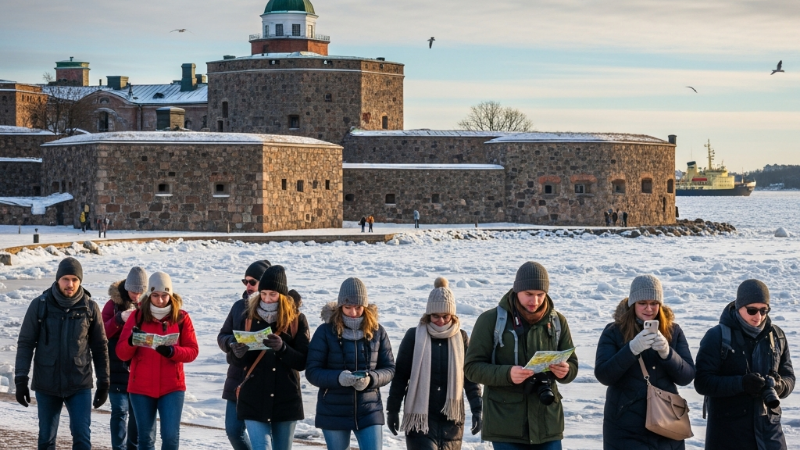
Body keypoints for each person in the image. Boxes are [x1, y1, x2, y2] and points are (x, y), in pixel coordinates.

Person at [464, 261, 578, 450]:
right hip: (505, 424)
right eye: (529, 295)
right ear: (517, 291)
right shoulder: (490, 320)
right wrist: (507, 374)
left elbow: (572, 363)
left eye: (540, 295)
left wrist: (565, 371)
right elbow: (471, 368)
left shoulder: (557, 321)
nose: (535, 301)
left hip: (547, 423)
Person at [14, 257, 110, 450]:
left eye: (75, 279)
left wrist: (104, 382)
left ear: (80, 281)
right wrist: (20, 379)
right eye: (66, 279)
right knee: (46, 439)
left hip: (79, 382)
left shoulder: (90, 308)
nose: (70, 284)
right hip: (47, 382)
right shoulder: (40, 305)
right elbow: (25, 343)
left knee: (82, 438)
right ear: (58, 279)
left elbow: (100, 347)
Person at [594, 275, 695, 450]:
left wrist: (667, 353)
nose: (649, 309)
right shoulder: (614, 331)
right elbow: (604, 375)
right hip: (624, 426)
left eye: (654, 303)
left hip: (666, 424)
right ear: (633, 303)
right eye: (642, 303)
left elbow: (687, 376)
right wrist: (631, 349)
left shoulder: (673, 331)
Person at [695, 279, 795, 450]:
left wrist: (779, 386)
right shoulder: (717, 336)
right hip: (728, 434)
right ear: (739, 306)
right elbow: (702, 382)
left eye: (764, 310)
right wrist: (741, 383)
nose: (759, 316)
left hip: (770, 432)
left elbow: (789, 377)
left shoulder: (777, 336)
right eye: (752, 310)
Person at [387, 277, 482, 449]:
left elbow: (470, 378)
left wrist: (478, 410)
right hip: (420, 418)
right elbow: (401, 377)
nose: (440, 321)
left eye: (445, 316)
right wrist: (392, 410)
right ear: (428, 314)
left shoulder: (461, 338)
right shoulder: (414, 336)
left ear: (453, 315)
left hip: (451, 421)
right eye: (435, 316)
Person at [306, 277, 396, 450]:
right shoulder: (325, 332)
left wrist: (371, 379)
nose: (353, 312)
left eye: (358, 307)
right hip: (333, 409)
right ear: (340, 307)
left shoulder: (378, 331)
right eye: (348, 307)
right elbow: (312, 371)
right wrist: (338, 378)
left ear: (365, 306)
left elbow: (389, 368)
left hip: (369, 409)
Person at [229, 265, 311, 450]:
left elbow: (303, 361)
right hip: (253, 396)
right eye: (263, 293)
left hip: (286, 398)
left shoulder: (297, 319)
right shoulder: (248, 315)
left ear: (282, 295)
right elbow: (236, 361)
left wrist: (283, 348)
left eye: (272, 294)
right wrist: (237, 352)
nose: (266, 299)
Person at [117, 272, 199, 450]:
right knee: (146, 439)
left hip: (172, 387)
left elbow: (192, 351)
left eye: (164, 296)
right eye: (155, 295)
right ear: (149, 295)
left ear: (171, 295)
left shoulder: (181, 317)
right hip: (141, 387)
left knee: (170, 438)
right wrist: (131, 341)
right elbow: (121, 353)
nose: (160, 300)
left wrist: (172, 351)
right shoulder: (137, 317)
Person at [218, 260, 271, 450]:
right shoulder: (239, 306)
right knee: (233, 430)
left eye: (252, 281)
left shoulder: (275, 308)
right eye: (245, 281)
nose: (248, 286)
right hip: (238, 377)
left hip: (264, 379)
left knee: (263, 438)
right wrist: (231, 344)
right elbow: (223, 335)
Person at [103, 266, 149, 450]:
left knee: (136, 413)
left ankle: (132, 447)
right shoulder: (112, 305)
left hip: (138, 369)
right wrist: (119, 319)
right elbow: (101, 332)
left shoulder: (147, 305)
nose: (136, 295)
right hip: (115, 367)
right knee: (119, 411)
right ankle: (118, 448)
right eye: (133, 291)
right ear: (126, 287)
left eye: (140, 291)